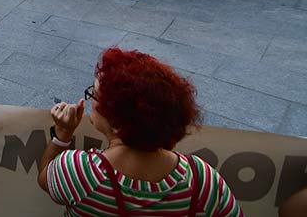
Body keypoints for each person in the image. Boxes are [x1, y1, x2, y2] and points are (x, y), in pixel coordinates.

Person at [38, 47, 243, 217]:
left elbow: (44, 177)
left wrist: (63, 133)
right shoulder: (202, 181)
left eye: (95, 94)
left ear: (117, 123)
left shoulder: (80, 173)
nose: (90, 99)